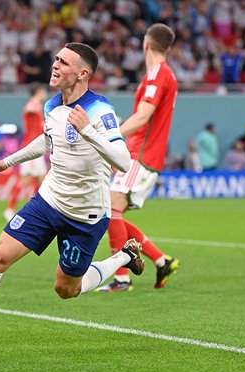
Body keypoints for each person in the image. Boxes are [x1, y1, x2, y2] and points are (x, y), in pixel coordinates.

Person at [0, 42, 143, 352]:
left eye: (63, 62)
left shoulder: (99, 110)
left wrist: (89, 131)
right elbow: (48, 140)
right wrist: (7, 161)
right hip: (48, 201)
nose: (55, 65)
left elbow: (123, 160)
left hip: (86, 215)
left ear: (82, 73)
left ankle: (124, 257)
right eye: (56, 59)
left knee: (66, 289)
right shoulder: (51, 106)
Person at [101, 23, 180, 292]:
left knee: (110, 208)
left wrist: (111, 136)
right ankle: (161, 260)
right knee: (112, 212)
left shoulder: (159, 74)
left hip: (142, 155)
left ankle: (122, 277)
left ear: (147, 43)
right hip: (139, 154)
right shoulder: (157, 75)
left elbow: (144, 116)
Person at [3, 83, 49, 221]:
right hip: (31, 148)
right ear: (39, 92)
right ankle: (10, 209)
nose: (45, 94)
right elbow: (28, 109)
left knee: (42, 179)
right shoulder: (33, 104)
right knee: (27, 181)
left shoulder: (38, 107)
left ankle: (38, 209)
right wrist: (34, 108)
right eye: (43, 92)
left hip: (37, 147)